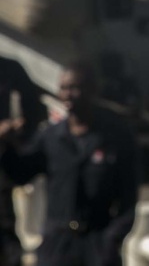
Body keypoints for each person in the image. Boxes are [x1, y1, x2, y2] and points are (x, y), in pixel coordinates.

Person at [0, 60, 138, 266]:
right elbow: (20, 174)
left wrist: (111, 240)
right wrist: (6, 145)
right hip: (56, 247)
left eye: (75, 88)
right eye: (63, 88)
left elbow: (128, 199)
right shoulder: (50, 137)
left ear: (92, 90)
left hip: (97, 245)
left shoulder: (117, 137)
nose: (67, 94)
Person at [0, 56, 46, 266]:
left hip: (3, 168)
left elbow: (35, 111)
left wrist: (17, 131)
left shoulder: (9, 69)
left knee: (6, 235)